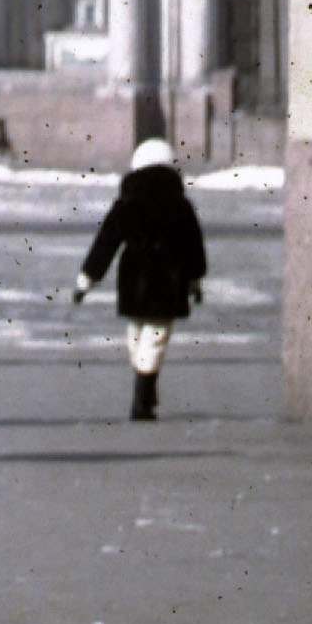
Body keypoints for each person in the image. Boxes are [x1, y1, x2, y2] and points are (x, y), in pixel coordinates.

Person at [75, 137, 208, 421]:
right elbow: (194, 247)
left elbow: (105, 244)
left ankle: (145, 386)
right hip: (170, 280)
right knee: (156, 336)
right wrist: (195, 282)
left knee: (137, 334)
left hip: (134, 279)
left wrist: (86, 280)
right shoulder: (181, 205)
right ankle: (143, 399)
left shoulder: (127, 203)